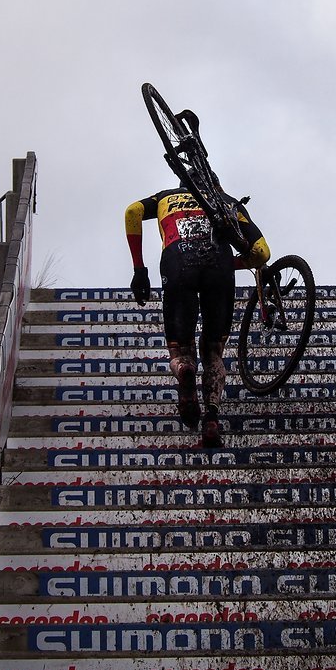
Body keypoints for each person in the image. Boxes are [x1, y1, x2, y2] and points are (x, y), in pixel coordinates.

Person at [125, 112, 270, 448]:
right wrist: (232, 262)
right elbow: (262, 252)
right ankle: (213, 417)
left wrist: (139, 269)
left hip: (177, 263)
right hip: (218, 266)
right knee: (214, 349)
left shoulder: (164, 198)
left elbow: (132, 211)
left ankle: (185, 373)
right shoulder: (227, 203)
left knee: (182, 348)